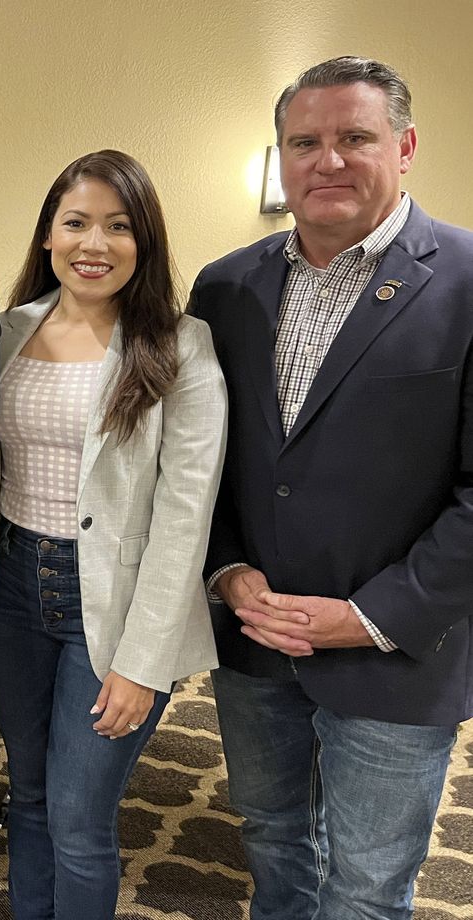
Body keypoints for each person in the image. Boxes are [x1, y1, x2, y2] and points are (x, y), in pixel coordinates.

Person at [190, 56, 473, 920]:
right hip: (255, 639)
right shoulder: (224, 286)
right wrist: (230, 572)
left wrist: (365, 617)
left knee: (367, 887)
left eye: (355, 137)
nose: (328, 160)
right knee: (274, 838)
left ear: (407, 145)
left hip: (395, 653)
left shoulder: (466, 282)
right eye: (304, 142)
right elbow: (204, 462)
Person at [0, 150, 226, 919]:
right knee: (30, 795)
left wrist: (143, 663)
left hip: (114, 607)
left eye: (118, 226)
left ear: (145, 243)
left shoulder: (182, 346)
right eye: (75, 223)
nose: (94, 244)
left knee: (79, 817)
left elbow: (185, 517)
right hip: (11, 591)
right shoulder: (6, 333)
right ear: (47, 237)